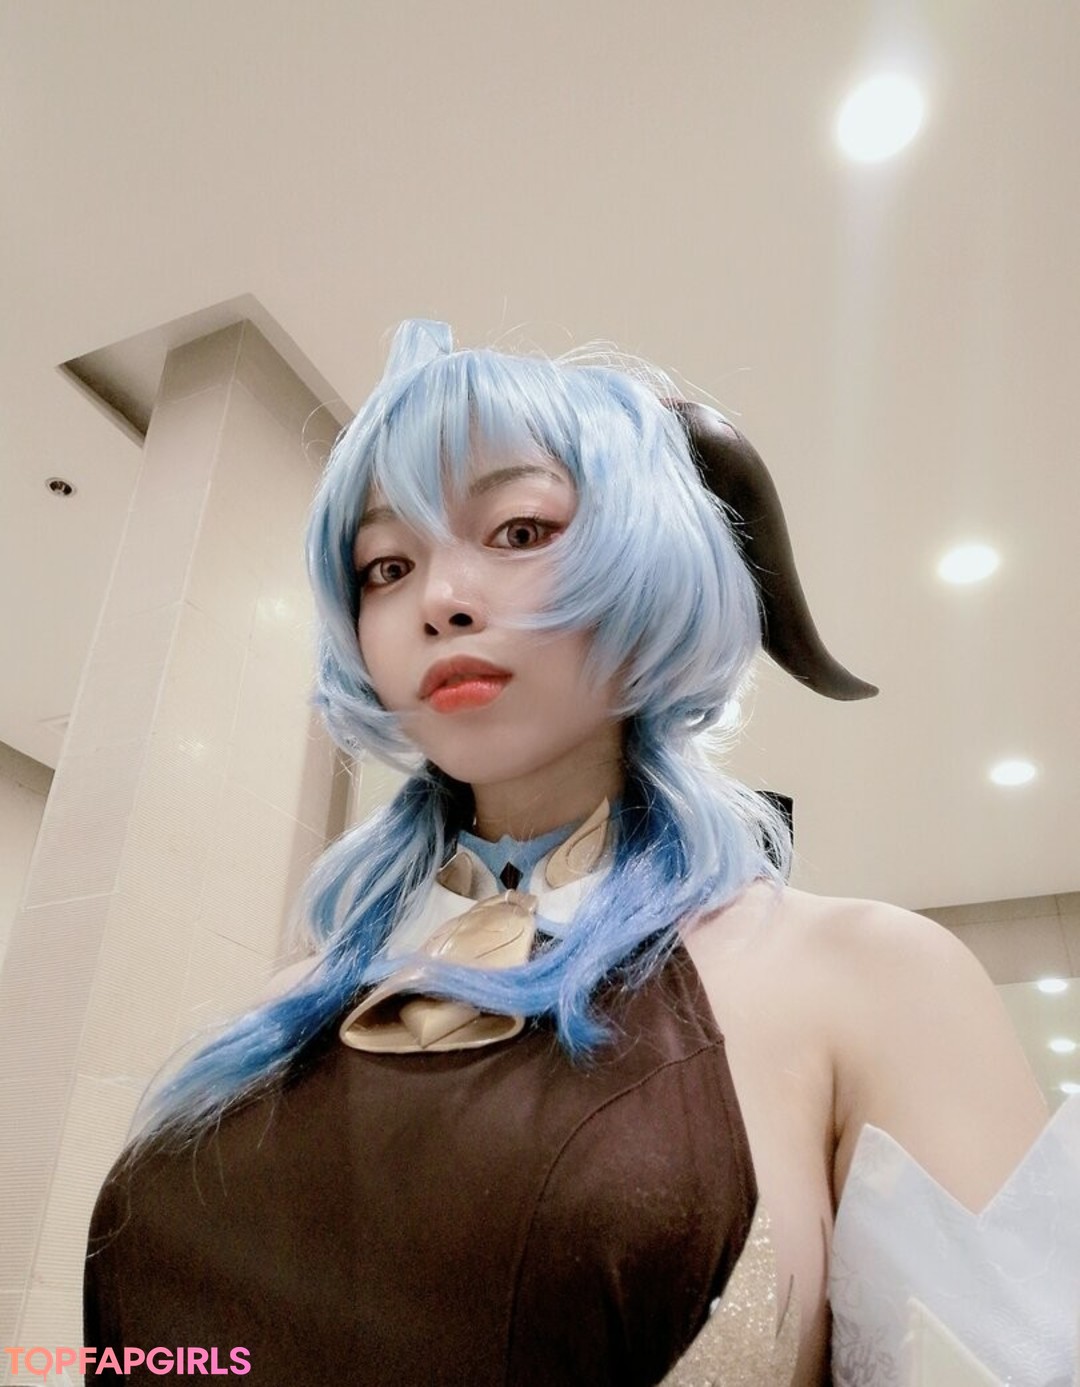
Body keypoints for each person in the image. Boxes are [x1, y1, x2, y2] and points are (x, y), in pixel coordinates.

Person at [85, 320, 1075, 1386]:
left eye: (518, 530)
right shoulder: (280, 1012)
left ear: (652, 555)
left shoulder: (870, 979)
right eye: (387, 564)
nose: (440, 600)